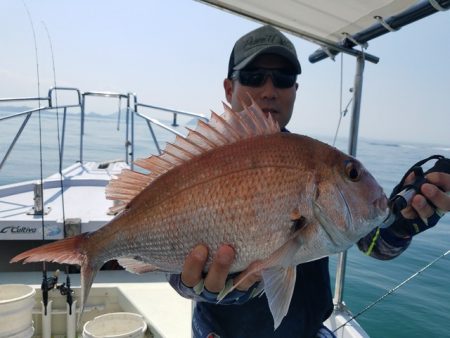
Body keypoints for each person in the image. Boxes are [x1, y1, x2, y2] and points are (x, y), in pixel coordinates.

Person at [169, 25, 450, 338]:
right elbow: (170, 263)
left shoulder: (315, 161)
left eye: (284, 77)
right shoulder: (194, 166)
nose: (269, 90)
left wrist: (398, 225)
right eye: (252, 76)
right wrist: (200, 287)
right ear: (228, 88)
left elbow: (373, 246)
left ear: (295, 89)